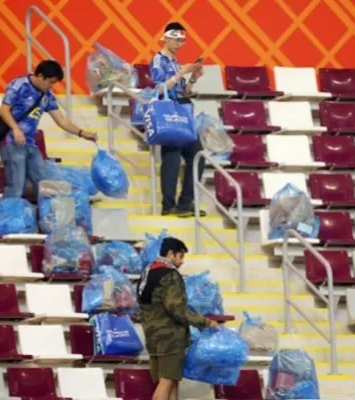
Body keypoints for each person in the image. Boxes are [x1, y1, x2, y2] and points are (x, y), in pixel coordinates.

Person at [0, 60, 97, 198]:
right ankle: (8, 218)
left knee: (43, 184)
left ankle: (46, 217)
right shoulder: (19, 85)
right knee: (16, 185)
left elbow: (61, 120)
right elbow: (4, 110)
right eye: (50, 82)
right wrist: (15, 129)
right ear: (40, 75)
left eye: (54, 83)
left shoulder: (47, 96)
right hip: (11, 141)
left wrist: (82, 133)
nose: (51, 86)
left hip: (30, 144)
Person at [137, 237, 219, 400]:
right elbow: (177, 309)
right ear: (170, 253)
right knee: (166, 382)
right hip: (170, 338)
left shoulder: (148, 271)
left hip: (152, 335)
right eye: (180, 256)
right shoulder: (170, 274)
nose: (181, 262)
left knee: (172, 381)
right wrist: (206, 322)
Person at [150, 22, 207, 217]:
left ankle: (185, 202)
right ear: (165, 38)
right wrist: (182, 72)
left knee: (198, 156)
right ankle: (168, 205)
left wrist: (192, 78)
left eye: (182, 40)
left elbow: (184, 91)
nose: (180, 44)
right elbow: (159, 89)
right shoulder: (158, 60)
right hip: (168, 110)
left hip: (182, 109)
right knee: (172, 158)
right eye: (176, 39)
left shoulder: (175, 62)